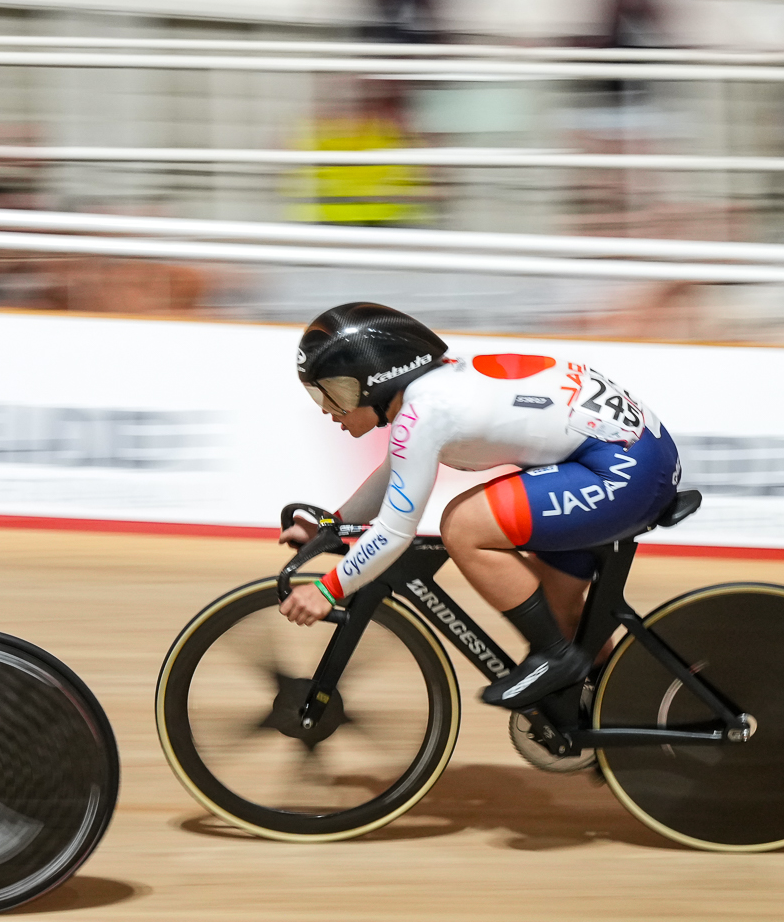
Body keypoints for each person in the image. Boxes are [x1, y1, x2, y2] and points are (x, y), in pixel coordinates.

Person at [280, 302, 679, 710]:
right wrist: (335, 524)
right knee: (564, 615)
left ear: (377, 381)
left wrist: (328, 589)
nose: (328, 410)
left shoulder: (424, 413)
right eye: (319, 395)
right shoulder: (429, 389)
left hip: (626, 468)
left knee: (464, 525)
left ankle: (555, 656)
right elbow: (395, 471)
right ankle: (625, 708)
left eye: (336, 391)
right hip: (631, 455)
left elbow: (394, 533)